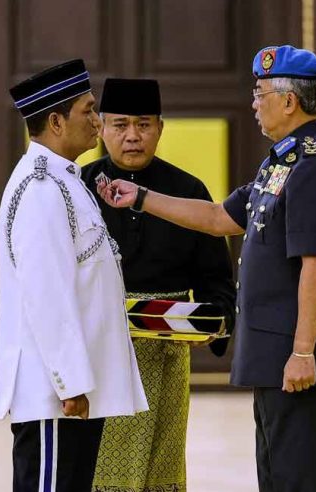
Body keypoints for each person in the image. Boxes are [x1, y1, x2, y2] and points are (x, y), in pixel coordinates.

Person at [97, 46, 316, 492]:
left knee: (299, 478)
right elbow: (219, 218)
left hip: (295, 355)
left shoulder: (313, 166)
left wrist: (304, 352)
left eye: (260, 93)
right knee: (276, 474)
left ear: (289, 101)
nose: (254, 104)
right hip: (275, 354)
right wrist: (138, 197)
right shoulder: (282, 161)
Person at [0, 59, 148, 492]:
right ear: (57, 121)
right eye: (88, 111)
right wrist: (71, 383)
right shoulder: (42, 189)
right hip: (53, 395)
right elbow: (47, 295)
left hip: (72, 394)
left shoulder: (66, 181)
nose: (98, 123)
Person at [81, 78, 236, 492]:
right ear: (100, 127)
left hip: (166, 352)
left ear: (161, 128)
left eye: (144, 124)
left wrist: (213, 323)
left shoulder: (188, 192)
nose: (133, 135)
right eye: (120, 124)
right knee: (100, 469)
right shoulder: (77, 187)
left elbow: (216, 278)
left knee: (161, 464)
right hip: (96, 355)